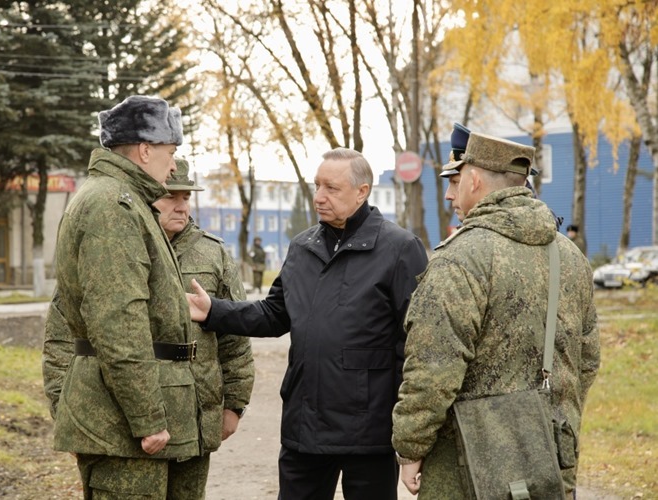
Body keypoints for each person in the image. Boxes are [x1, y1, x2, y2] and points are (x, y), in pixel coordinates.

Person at [187, 147, 428, 500]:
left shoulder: (399, 248)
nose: (319, 197)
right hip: (306, 424)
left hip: (370, 428)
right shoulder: (303, 247)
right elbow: (275, 314)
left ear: (362, 192)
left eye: (331, 188)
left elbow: (417, 341)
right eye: (317, 186)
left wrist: (412, 427)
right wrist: (214, 312)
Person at [391, 131, 600, 498]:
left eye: (455, 182)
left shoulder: (460, 258)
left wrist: (411, 449)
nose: (449, 195)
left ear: (474, 178)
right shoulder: (571, 257)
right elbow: (588, 361)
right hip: (548, 461)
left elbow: (433, 370)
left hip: (466, 467)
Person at [42, 95, 201, 499]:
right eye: (171, 151)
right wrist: (148, 417)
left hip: (128, 417)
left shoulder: (124, 200)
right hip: (122, 426)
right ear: (145, 150)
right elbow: (119, 323)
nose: (173, 163)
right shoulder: (112, 205)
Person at [152, 159, 256, 496]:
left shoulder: (212, 254)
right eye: (171, 197)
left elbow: (236, 335)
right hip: (142, 405)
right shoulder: (127, 247)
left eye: (186, 198)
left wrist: (235, 404)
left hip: (196, 412)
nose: (181, 206)